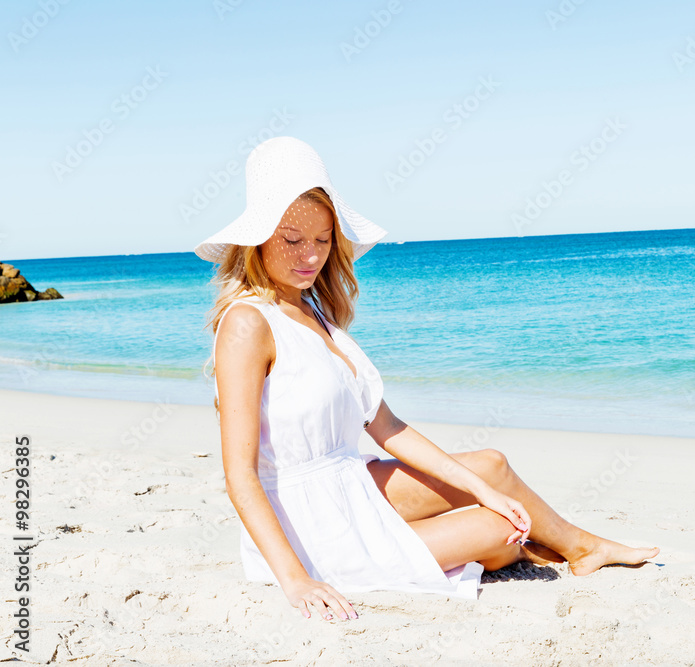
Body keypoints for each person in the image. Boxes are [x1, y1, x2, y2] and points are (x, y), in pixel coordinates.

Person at [195, 136, 659, 623]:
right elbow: (240, 474)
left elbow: (387, 426)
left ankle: (583, 547)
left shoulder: (311, 308)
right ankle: (522, 549)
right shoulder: (248, 324)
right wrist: (296, 579)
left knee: (492, 467)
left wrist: (483, 486)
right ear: (258, 240)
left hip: (348, 480)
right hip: (306, 524)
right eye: (292, 240)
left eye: (323, 239)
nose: (310, 255)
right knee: (499, 528)